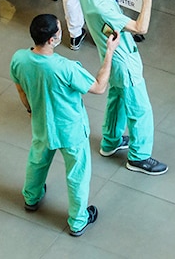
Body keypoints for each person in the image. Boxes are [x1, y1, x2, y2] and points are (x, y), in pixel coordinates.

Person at [11, 13, 120, 237]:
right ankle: (78, 220)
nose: (61, 33)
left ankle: (31, 197)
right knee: (77, 174)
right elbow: (99, 87)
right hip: (71, 130)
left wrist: (31, 110)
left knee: (37, 161)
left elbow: (21, 89)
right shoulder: (65, 68)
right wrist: (109, 52)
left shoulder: (19, 59)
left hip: (42, 125)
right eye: (59, 30)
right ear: (52, 39)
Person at [78, 0, 168, 175]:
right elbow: (140, 27)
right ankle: (139, 157)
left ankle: (110, 141)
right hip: (124, 61)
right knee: (140, 110)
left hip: (111, 58)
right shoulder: (102, 9)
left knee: (117, 99)